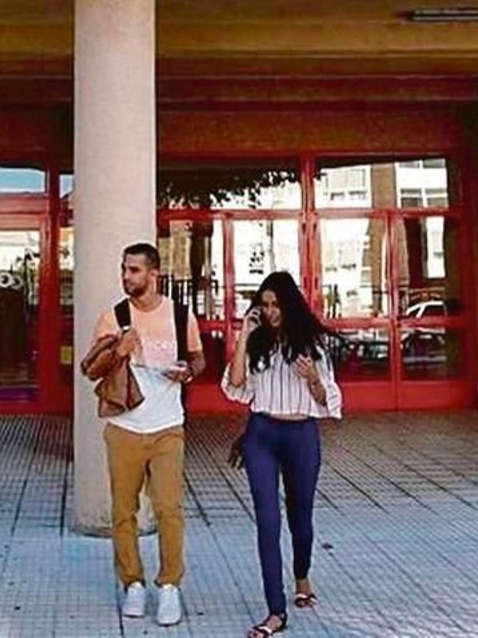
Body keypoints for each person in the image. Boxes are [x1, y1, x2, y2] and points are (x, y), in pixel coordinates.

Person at [82, 241, 205, 627]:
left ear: (154, 274)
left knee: (170, 510)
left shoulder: (180, 314)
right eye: (123, 269)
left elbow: (199, 359)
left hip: (168, 427)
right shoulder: (113, 316)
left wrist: (187, 370)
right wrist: (120, 350)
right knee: (124, 511)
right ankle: (132, 583)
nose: (126, 276)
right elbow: (91, 370)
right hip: (124, 428)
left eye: (133, 270)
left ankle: (169, 586)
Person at [223, 271, 343, 638]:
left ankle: (302, 575)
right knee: (267, 521)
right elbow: (236, 385)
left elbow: (330, 401)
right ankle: (276, 612)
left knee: (300, 517)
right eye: (265, 304)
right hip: (261, 434)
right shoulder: (257, 342)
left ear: (289, 304)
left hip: (301, 435)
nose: (271, 311)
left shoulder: (313, 343)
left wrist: (312, 380)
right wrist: (244, 334)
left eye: (276, 305)